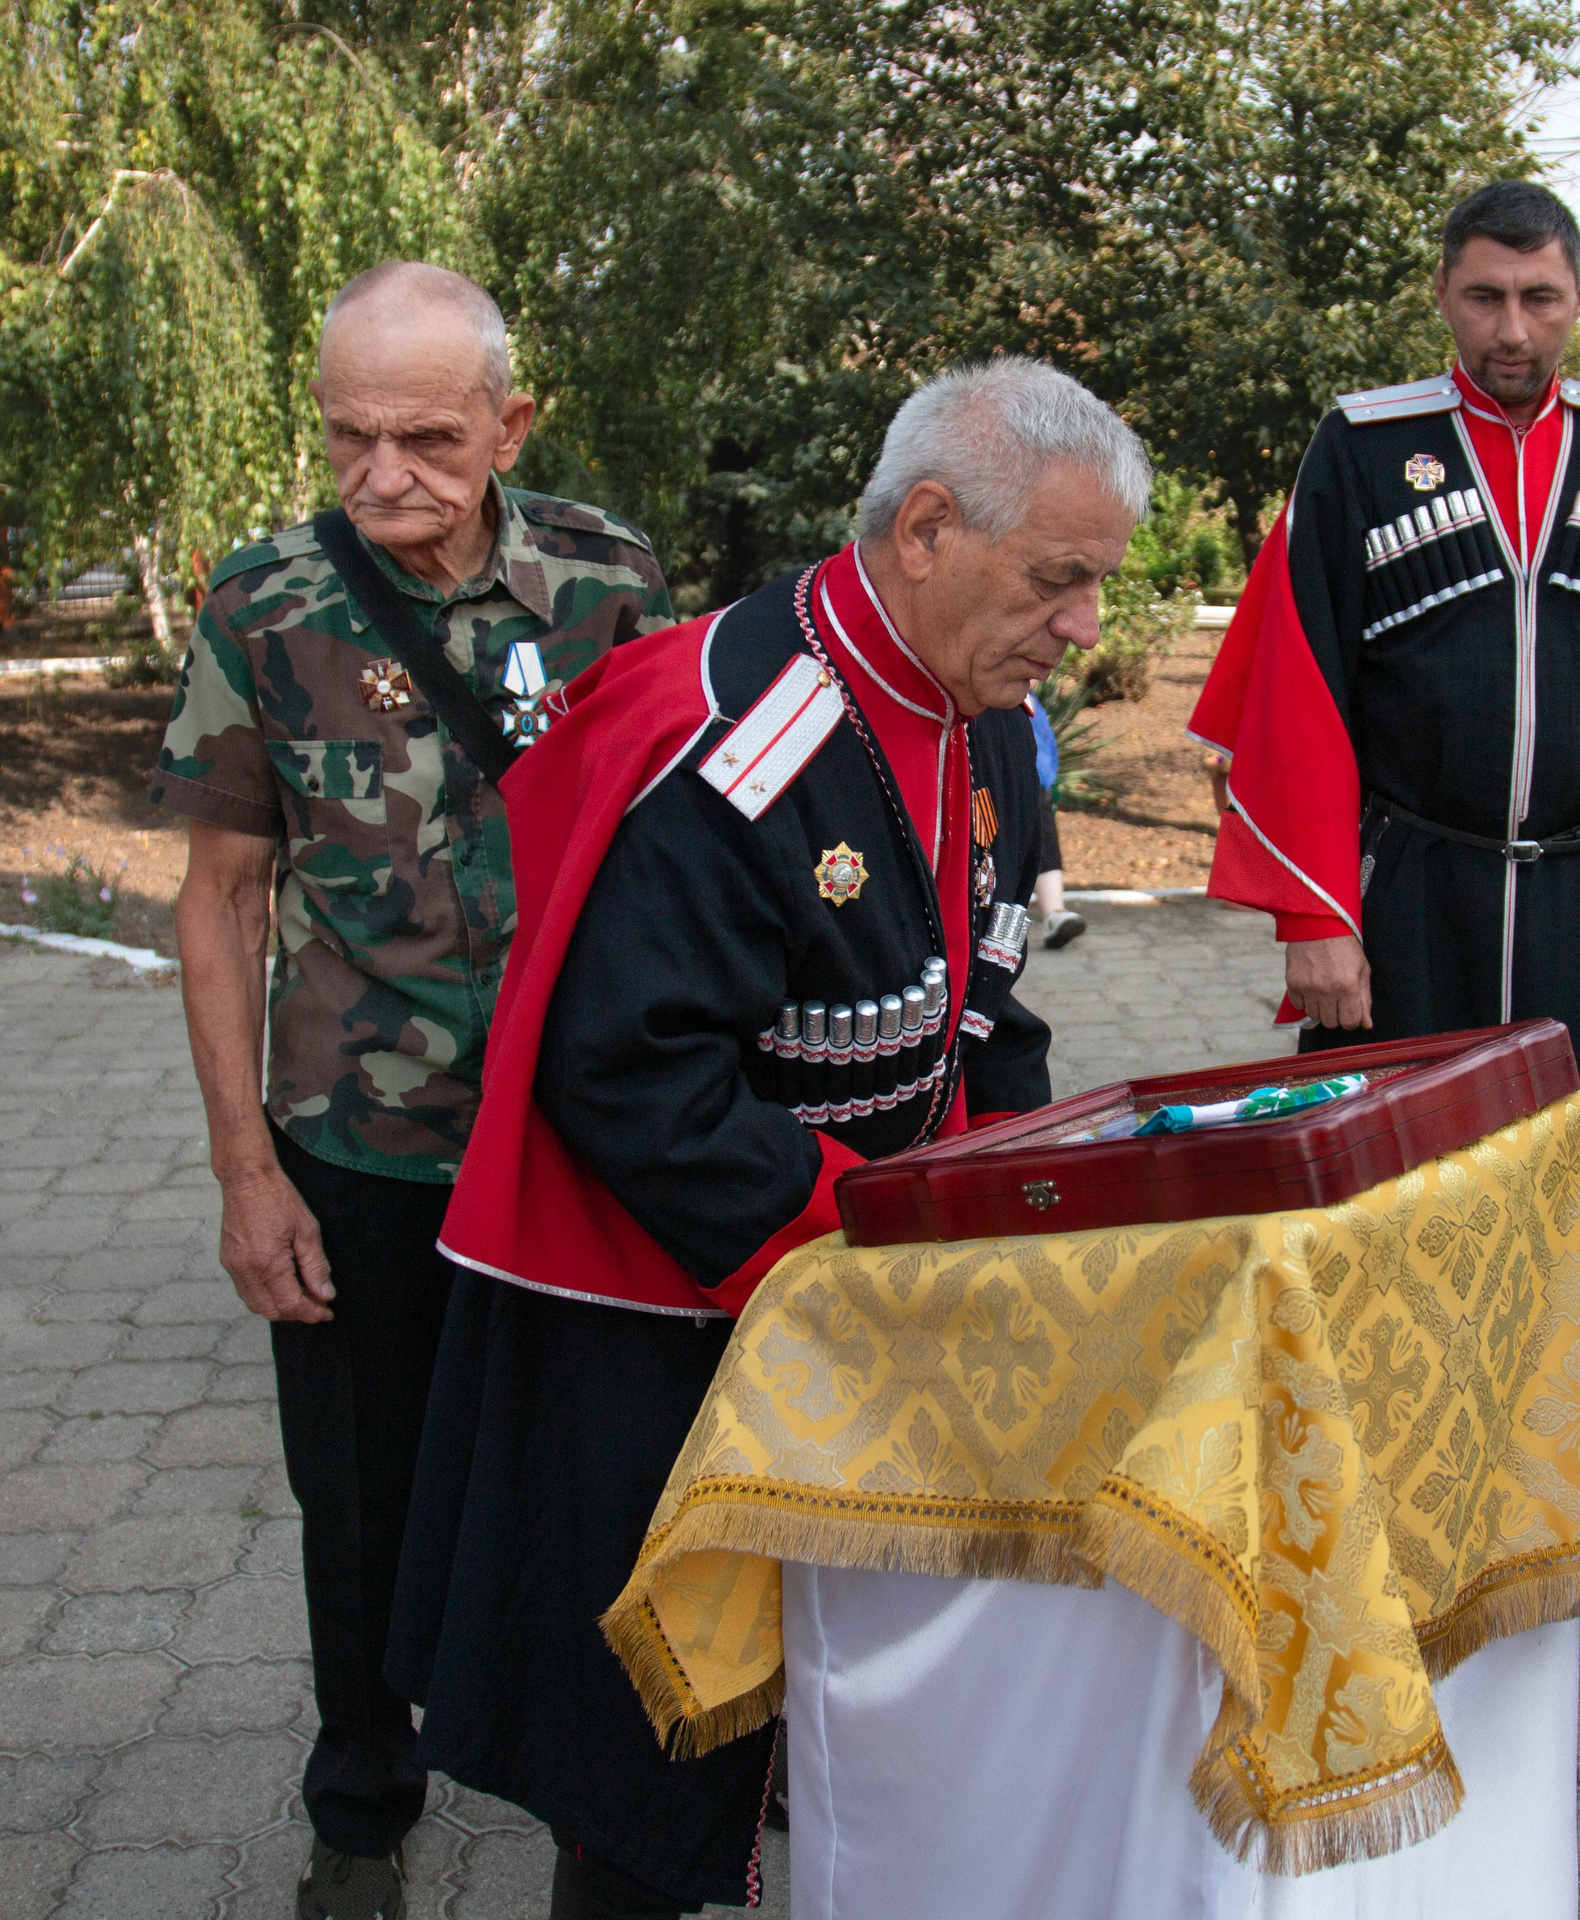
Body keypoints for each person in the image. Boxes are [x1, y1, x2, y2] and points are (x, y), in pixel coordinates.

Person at [393, 359, 1130, 1916]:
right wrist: (886, 1264)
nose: (1081, 624)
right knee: (651, 1769)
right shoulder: (732, 742)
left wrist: (1038, 1210)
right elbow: (638, 1086)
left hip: (854, 1290)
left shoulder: (983, 713)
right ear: (926, 527)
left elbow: (993, 1007)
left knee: (852, 1704)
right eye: (1056, 580)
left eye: (1092, 586)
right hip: (671, 1310)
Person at [148, 262, 670, 1920]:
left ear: (512, 424)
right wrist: (247, 1174)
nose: (384, 475)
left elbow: (675, 854)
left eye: (430, 438)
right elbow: (220, 896)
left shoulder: (606, 583)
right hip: (357, 1151)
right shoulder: (265, 604)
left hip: (577, 1144)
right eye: (350, 436)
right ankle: (363, 1802)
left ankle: (618, 1788)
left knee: (606, 1481)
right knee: (359, 1504)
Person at [1188, 181, 1580, 1137]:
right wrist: (1315, 919)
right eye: (1483, 297)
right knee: (1384, 1203)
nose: (1512, 331)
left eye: (1539, 298)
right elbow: (1299, 688)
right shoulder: (1364, 448)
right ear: (1443, 293)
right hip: (1406, 896)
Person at [1025, 691, 1086, 946]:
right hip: (1012, 781)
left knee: (1044, 842)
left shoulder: (1030, 698)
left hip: (1037, 782)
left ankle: (1054, 914)